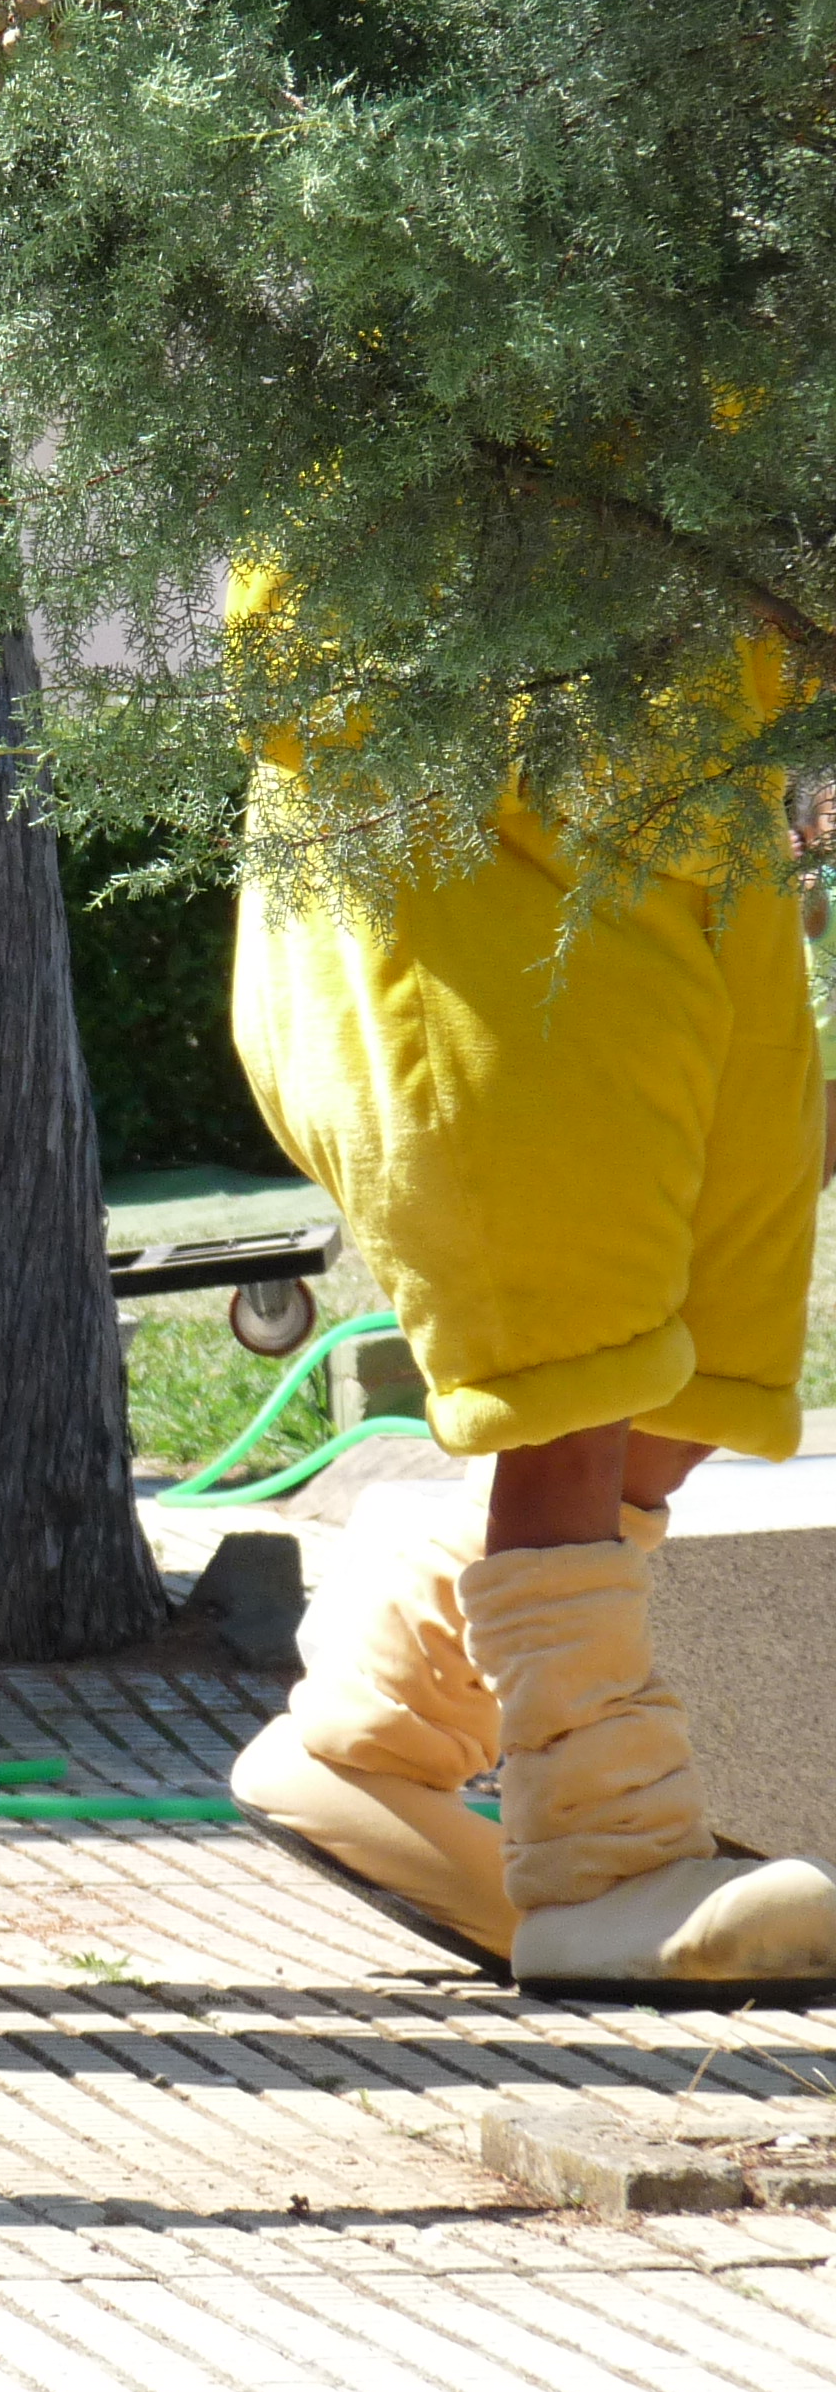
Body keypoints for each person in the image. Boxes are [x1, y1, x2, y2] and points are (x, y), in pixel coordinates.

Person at [227, 577, 836, 1997]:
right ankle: (604, 1859)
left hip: (701, 796)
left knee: (697, 1373)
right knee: (572, 1363)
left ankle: (379, 1722)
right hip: (469, 825)